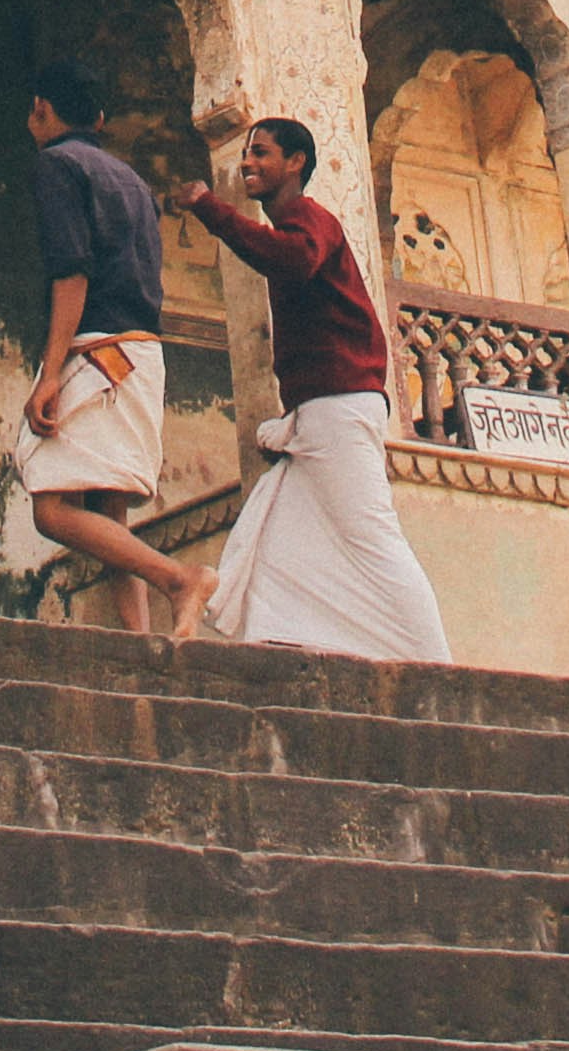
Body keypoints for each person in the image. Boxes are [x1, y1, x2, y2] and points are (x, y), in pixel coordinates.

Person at [172, 118, 453, 666]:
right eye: (247, 154)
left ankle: (436, 667)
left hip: (339, 406)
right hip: (322, 411)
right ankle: (287, 654)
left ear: (295, 163)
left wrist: (213, 210)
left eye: (262, 153)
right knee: (277, 542)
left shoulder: (308, 219)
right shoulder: (292, 223)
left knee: (372, 539)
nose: (248, 163)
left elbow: (294, 260)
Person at [21, 60, 208, 640]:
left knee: (51, 509)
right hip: (142, 353)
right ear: (99, 119)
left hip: (100, 352)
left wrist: (50, 374)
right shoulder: (132, 181)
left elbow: (71, 272)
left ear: (41, 111)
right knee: (109, 515)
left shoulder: (57, 165)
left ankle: (179, 578)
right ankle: (142, 642)